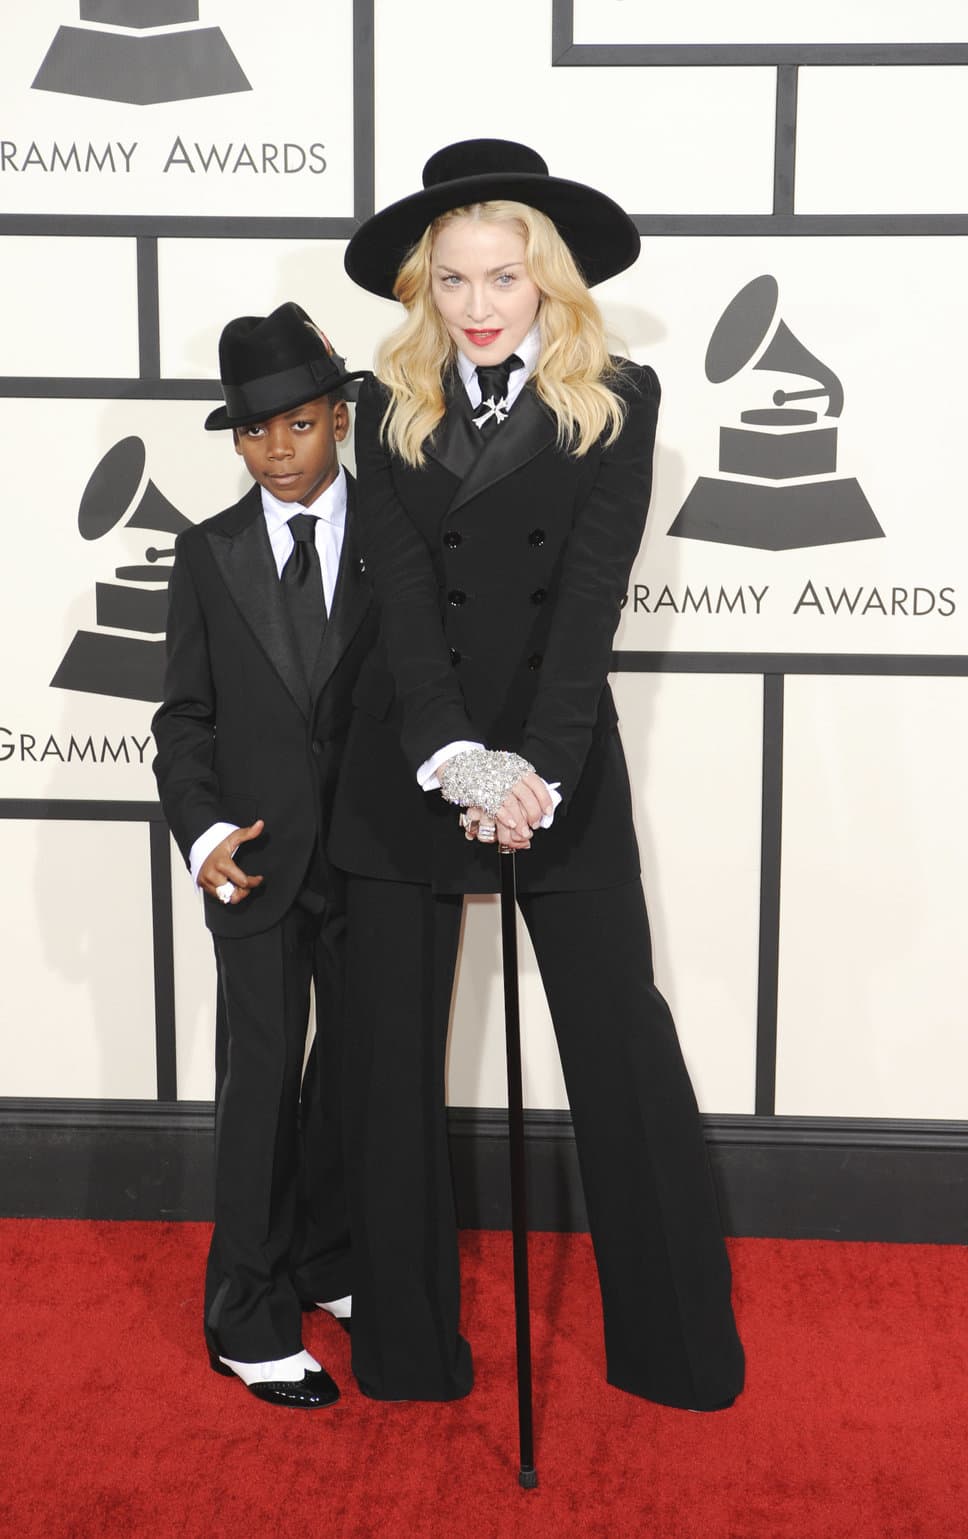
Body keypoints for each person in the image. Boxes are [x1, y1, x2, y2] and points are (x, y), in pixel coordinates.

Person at [329, 139, 745, 1411]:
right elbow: (404, 600)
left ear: (547, 279)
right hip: (412, 751)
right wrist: (456, 756)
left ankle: (675, 1352)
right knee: (385, 1059)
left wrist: (532, 770)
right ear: (423, 287)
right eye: (451, 280)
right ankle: (406, 1352)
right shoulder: (381, 402)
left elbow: (589, 600)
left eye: (501, 276)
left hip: (554, 754)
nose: (477, 305)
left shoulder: (616, 397)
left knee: (620, 1037)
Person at [152, 302, 376, 1407]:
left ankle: (328, 1258)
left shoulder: (399, 535)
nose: (278, 451)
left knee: (355, 1078)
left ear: (338, 417)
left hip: (377, 861)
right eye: (254, 431)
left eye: (297, 423)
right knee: (260, 1087)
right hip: (252, 865)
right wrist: (201, 833)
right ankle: (246, 1316)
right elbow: (183, 718)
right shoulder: (207, 552)